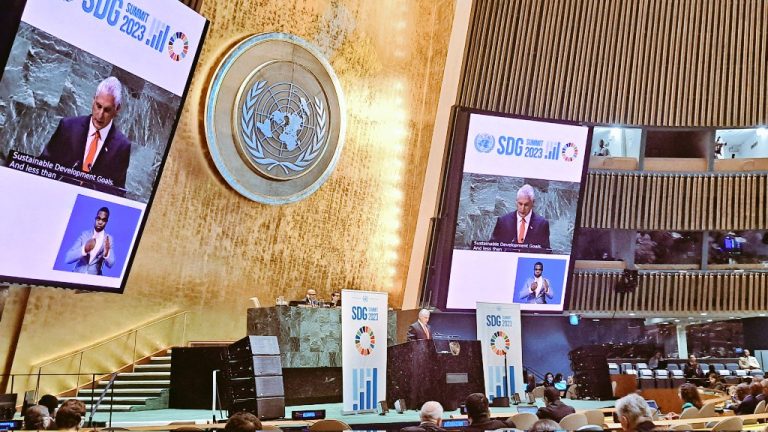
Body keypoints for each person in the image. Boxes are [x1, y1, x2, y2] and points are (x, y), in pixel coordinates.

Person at [39, 77, 131, 190]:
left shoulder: (122, 146)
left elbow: (117, 189)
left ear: (117, 109)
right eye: (98, 106)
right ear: (93, 100)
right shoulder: (68, 127)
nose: (100, 115)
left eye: (107, 110)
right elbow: (43, 165)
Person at [490, 184, 551, 251]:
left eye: (526, 205)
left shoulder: (542, 224)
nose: (522, 208)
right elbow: (492, 246)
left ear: (533, 203)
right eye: (520, 204)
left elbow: (545, 250)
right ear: (516, 202)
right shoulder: (503, 221)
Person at [64, 207, 115, 275]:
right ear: (95, 219)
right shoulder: (84, 235)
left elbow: (110, 264)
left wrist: (106, 254)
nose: (100, 222)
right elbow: (68, 259)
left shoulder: (108, 239)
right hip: (77, 275)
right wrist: (84, 249)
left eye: (103, 220)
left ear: (106, 222)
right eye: (98, 218)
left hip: (94, 278)